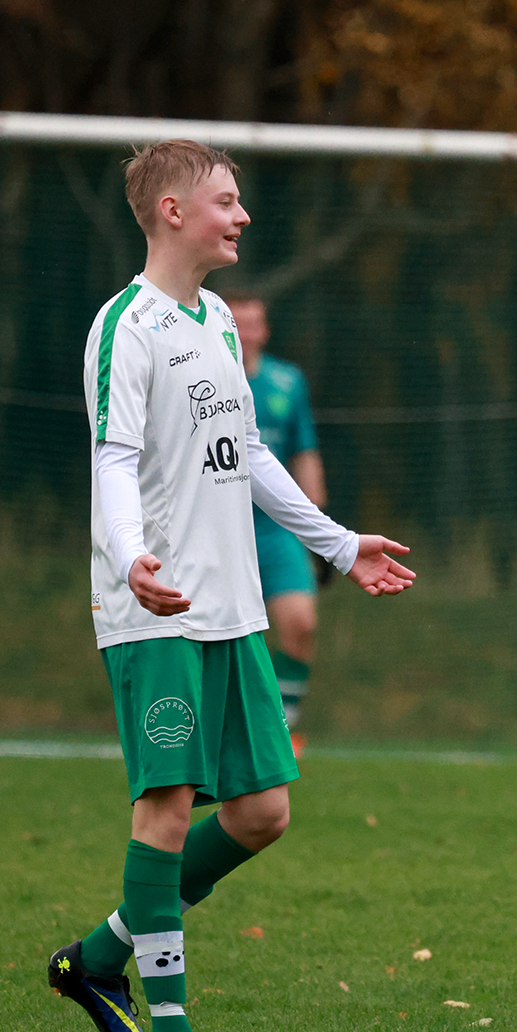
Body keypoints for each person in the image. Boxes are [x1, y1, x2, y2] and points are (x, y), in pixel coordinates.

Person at [47, 139, 415, 1032]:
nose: (241, 215)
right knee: (166, 810)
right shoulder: (125, 325)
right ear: (173, 211)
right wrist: (132, 559)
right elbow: (113, 459)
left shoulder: (215, 320)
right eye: (226, 200)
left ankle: (95, 962)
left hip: (234, 608)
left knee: (262, 814)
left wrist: (337, 542)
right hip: (157, 606)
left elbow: (247, 456)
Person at [221, 292, 324, 756]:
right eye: (236, 325)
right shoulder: (204, 377)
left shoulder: (287, 381)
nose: (245, 335)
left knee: (300, 624)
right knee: (235, 640)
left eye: (252, 325)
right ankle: (235, 729)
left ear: (264, 331)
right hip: (220, 530)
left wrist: (319, 530)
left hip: (276, 531)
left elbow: (303, 450)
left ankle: (283, 727)